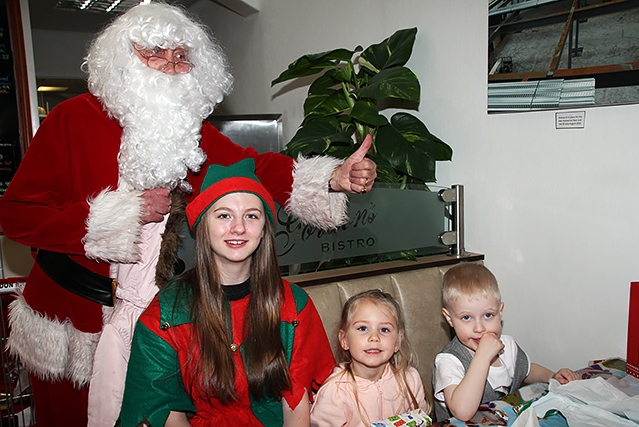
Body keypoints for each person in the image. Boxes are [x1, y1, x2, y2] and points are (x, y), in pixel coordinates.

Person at [0, 3, 376, 426]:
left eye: (182, 57)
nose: (170, 65)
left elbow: (252, 168)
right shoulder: (72, 119)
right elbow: (16, 216)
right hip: (72, 320)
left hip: (153, 321)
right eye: (154, 52)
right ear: (124, 59)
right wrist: (118, 216)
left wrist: (331, 177)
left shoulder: (189, 131)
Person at [117, 159, 335, 426]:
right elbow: (164, 411)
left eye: (252, 216)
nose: (239, 228)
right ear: (202, 226)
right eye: (223, 215)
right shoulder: (167, 313)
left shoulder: (293, 305)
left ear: (264, 229)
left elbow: (296, 402)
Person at [432, 263, 579, 422]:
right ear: (449, 319)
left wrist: (552, 376)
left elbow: (527, 370)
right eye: (466, 318)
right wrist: (482, 357)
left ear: (500, 312)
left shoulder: (507, 345)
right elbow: (462, 411)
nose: (479, 328)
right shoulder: (448, 361)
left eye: (488, 315)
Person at [310, 289, 429, 427]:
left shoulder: (410, 379)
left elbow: (422, 420)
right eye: (362, 328)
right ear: (344, 340)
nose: (374, 337)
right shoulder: (336, 392)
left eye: (384, 330)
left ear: (397, 342)